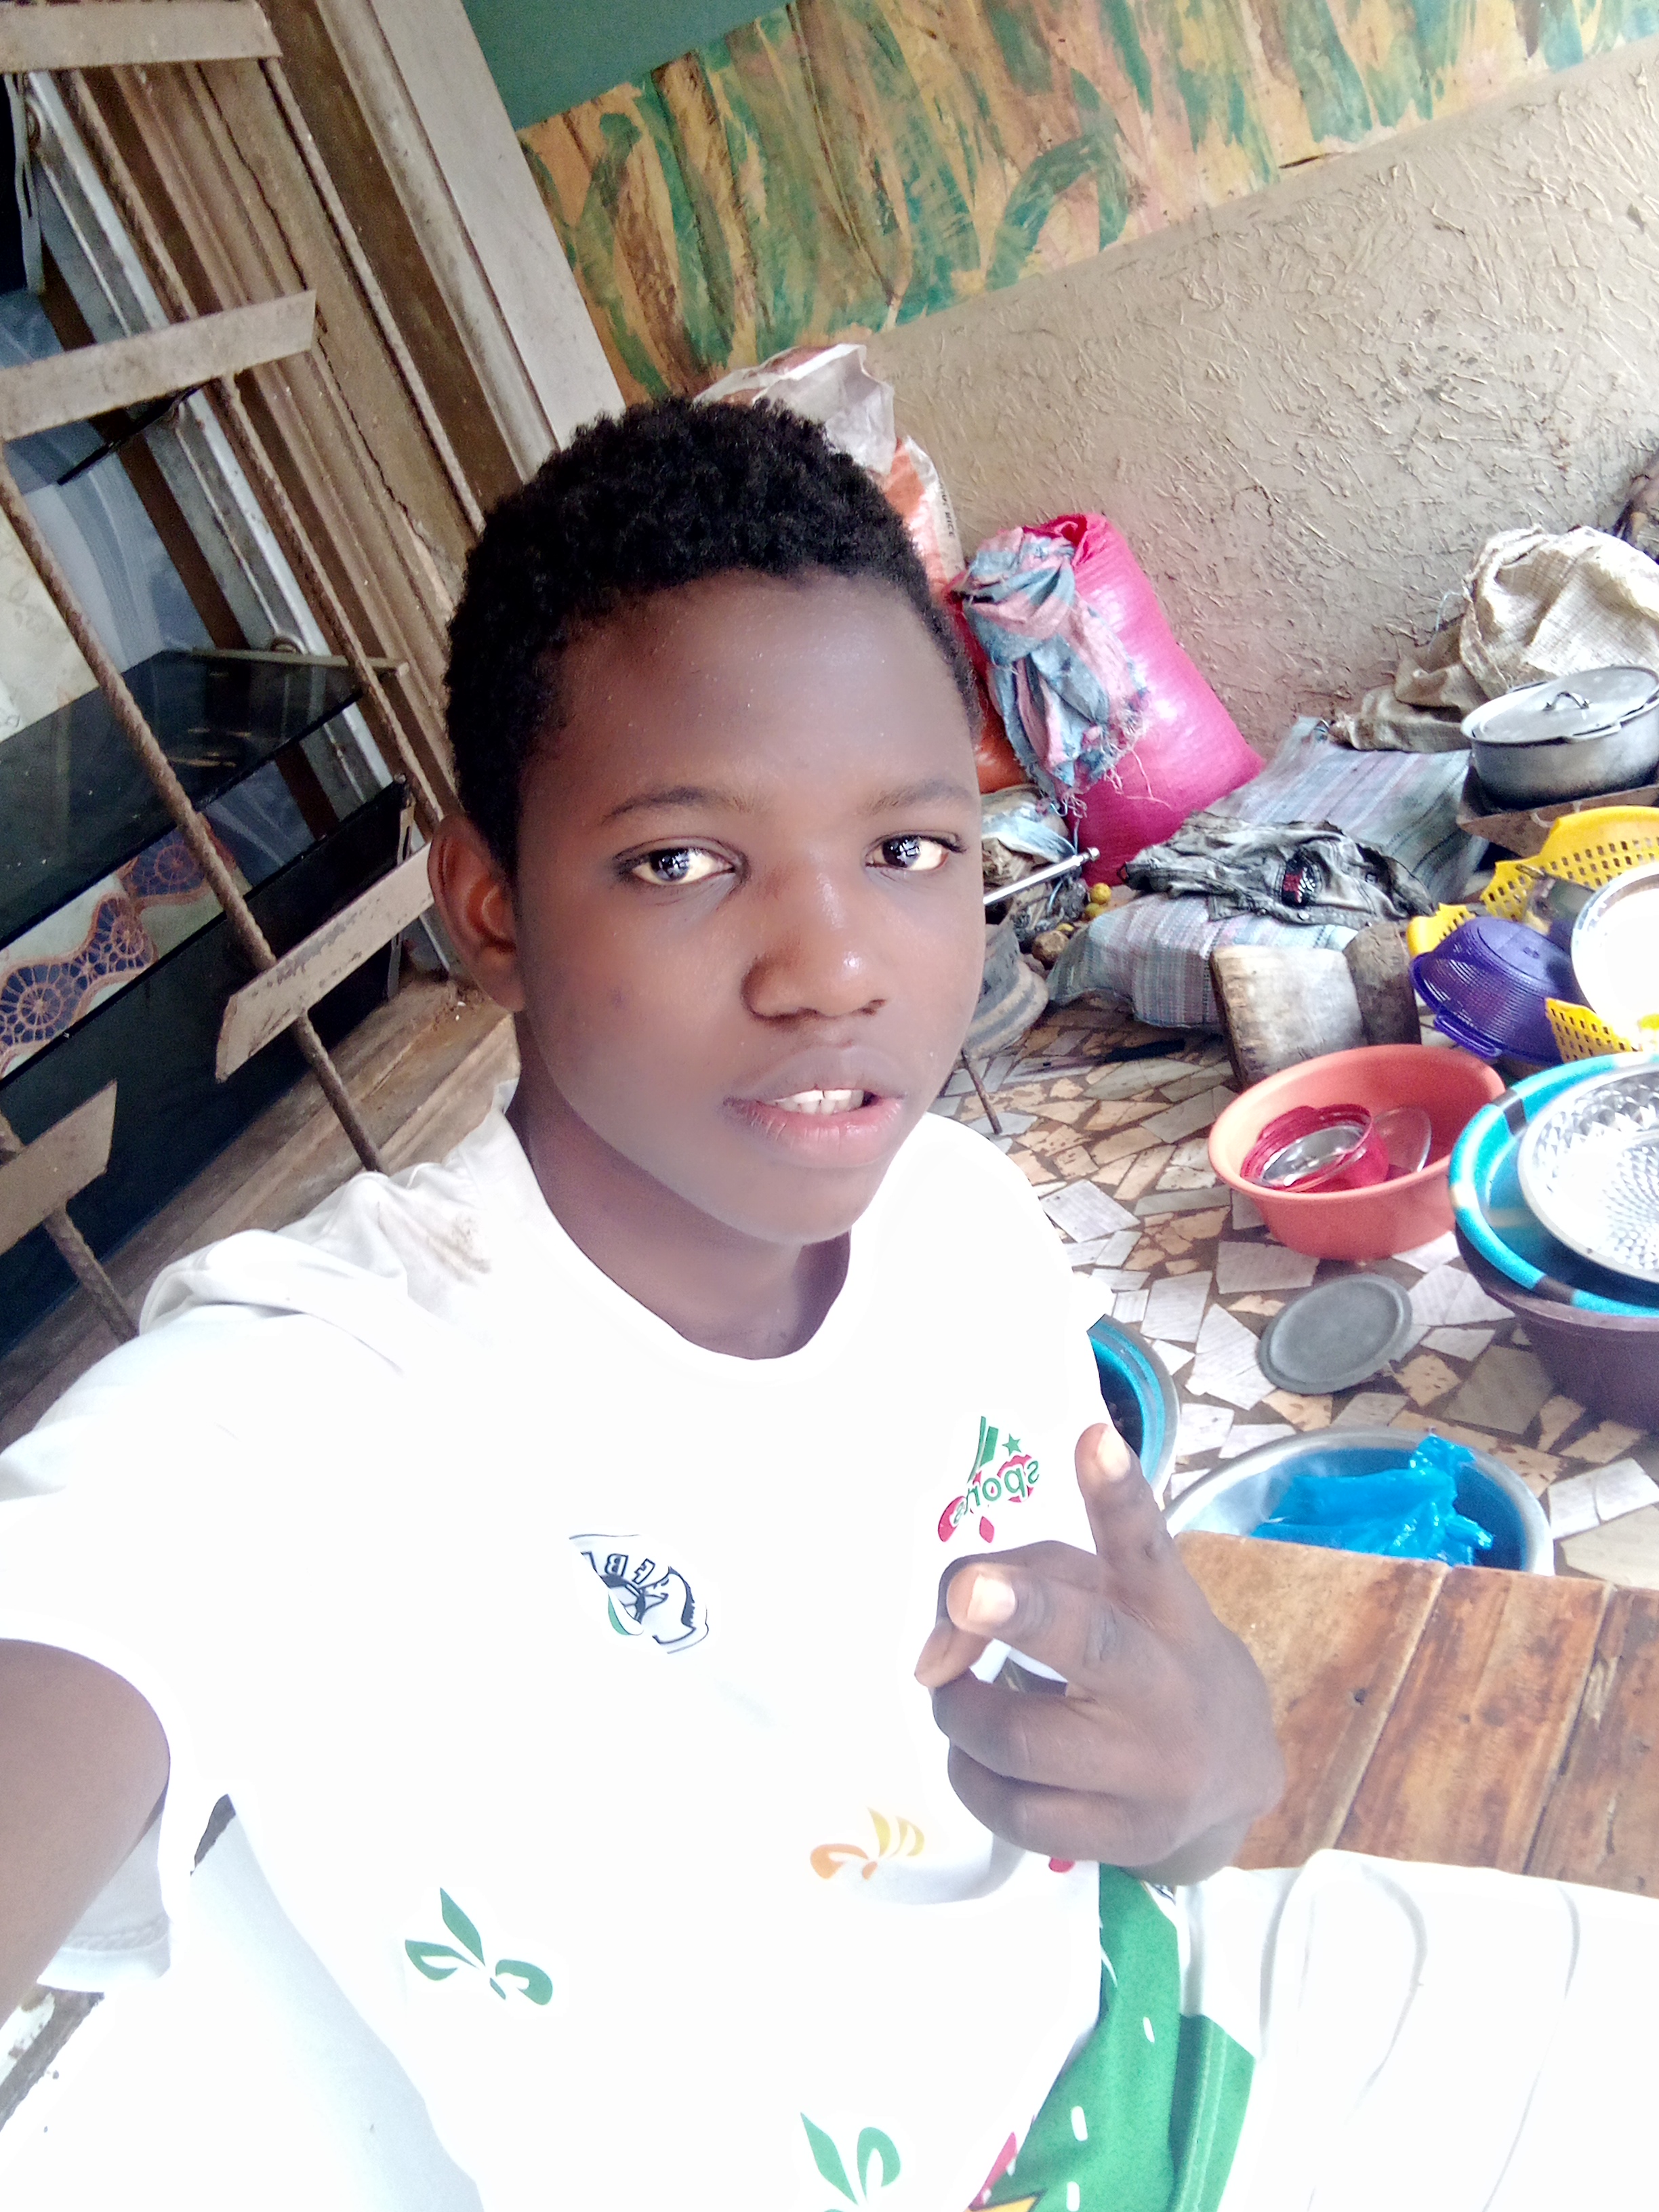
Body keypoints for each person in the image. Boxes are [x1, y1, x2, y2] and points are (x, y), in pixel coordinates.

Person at [0, 401, 1652, 2212]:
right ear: (490, 907)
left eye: (909, 849)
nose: (835, 970)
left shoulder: (959, 1220)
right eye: (681, 862)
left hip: (1184, 2033)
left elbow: (1171, 1786)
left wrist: (1204, 1775)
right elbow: (99, 1587)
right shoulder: (330, 1397)